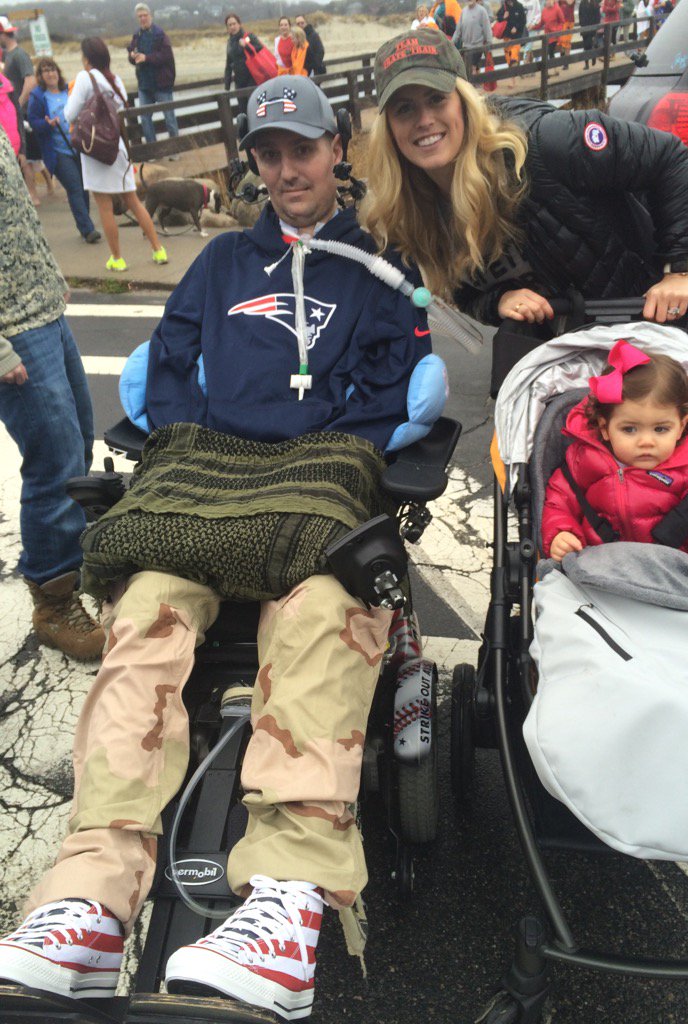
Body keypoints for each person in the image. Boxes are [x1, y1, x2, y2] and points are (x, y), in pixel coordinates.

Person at [0, 74, 431, 1020]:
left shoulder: (379, 266)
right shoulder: (225, 261)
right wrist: (206, 436)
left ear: (338, 153)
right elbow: (173, 355)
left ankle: (285, 902)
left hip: (317, 475)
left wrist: (313, 435)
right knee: (145, 610)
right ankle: (88, 897)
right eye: (268, 155)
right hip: (209, 476)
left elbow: (398, 379)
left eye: (302, 150)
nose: (285, 170)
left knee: (324, 608)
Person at [363, 29, 688, 339]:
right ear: (389, 129)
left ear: (464, 102)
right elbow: (464, 293)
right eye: (404, 109)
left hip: (652, 327)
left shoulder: (544, 141)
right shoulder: (412, 208)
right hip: (568, 355)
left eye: (436, 99)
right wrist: (499, 300)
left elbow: (668, 155)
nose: (424, 120)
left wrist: (679, 268)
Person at [0, 130, 104, 660]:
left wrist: (48, 269)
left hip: (41, 308)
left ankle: (77, 558)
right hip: (11, 325)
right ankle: (53, 600)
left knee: (80, 438)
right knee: (54, 462)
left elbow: (12, 213)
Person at [541, 340, 688, 583]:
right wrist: (562, 533)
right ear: (605, 428)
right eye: (629, 429)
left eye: (661, 429)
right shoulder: (583, 462)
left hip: (673, 579)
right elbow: (559, 502)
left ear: (682, 426)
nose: (646, 441)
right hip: (598, 576)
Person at [65, 37, 167, 273]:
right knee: (133, 200)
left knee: (104, 205)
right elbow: (121, 109)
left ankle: (117, 258)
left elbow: (70, 115)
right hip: (117, 146)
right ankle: (158, 249)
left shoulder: (84, 77)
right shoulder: (115, 79)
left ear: (87, 58)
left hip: (95, 149)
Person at [27, 58, 101, 244]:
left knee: (84, 187)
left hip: (79, 146)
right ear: (40, 76)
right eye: (45, 71)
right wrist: (47, 123)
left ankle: (85, 224)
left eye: (52, 69)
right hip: (57, 151)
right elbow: (33, 121)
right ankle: (88, 229)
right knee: (74, 186)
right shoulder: (38, 96)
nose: (50, 74)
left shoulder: (69, 89)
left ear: (58, 72)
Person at [127, 2, 178, 148]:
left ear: (150, 16)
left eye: (145, 15)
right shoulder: (137, 35)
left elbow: (166, 56)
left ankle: (175, 149)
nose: (143, 18)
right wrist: (132, 56)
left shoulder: (160, 34)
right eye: (140, 16)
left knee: (169, 118)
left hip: (162, 84)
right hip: (144, 84)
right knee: (145, 118)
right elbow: (132, 57)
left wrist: (146, 58)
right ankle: (152, 149)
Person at [0, 16, 38, 204]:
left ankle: (32, 194)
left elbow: (31, 80)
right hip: (14, 114)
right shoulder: (9, 55)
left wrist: (18, 105)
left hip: (20, 114)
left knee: (27, 157)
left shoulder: (19, 55)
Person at [223, 12, 260, 115]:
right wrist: (227, 86)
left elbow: (259, 49)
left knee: (254, 109)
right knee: (243, 111)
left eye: (234, 24)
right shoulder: (229, 42)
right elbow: (228, 64)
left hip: (252, 78)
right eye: (229, 25)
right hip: (239, 81)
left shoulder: (248, 36)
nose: (232, 27)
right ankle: (245, 131)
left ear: (239, 24)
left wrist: (246, 46)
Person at [452, 0, 493, 76]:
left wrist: (489, 41)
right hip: (466, 46)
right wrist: (452, 41)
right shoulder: (463, 11)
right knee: (468, 68)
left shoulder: (481, 10)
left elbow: (486, 27)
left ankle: (474, 83)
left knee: (473, 67)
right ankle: (475, 83)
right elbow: (458, 29)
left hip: (477, 45)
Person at [532, 0, 567, 70]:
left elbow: (562, 22)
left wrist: (557, 30)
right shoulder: (544, 10)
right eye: (547, 1)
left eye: (550, 1)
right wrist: (533, 27)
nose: (549, 2)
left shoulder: (557, 9)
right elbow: (541, 23)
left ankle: (555, 68)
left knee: (550, 51)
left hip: (555, 36)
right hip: (547, 36)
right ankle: (552, 69)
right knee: (547, 52)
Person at [495, 0, 527, 66]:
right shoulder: (504, 7)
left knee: (514, 55)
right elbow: (498, 18)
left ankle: (514, 67)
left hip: (517, 35)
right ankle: (512, 71)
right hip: (506, 35)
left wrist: (516, 27)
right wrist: (503, 17)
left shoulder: (519, 6)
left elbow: (523, 20)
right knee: (508, 55)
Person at [579, 0, 600, 66]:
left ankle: (593, 57)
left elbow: (598, 16)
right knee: (585, 46)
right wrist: (581, 23)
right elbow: (580, 14)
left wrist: (595, 26)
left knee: (590, 45)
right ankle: (587, 63)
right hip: (584, 27)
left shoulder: (595, 3)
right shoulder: (582, 3)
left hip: (592, 28)